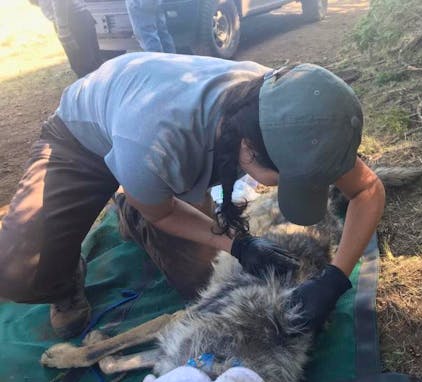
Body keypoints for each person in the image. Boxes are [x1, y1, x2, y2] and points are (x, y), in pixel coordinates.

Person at [0, 52, 385, 339]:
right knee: (19, 273)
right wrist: (240, 245)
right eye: (285, 179)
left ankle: (136, 200)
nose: (288, 187)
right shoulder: (156, 145)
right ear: (248, 148)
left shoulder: (298, 116)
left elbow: (367, 190)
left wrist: (336, 278)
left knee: (203, 280)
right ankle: (107, 230)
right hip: (82, 137)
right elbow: (165, 214)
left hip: (148, 150)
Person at [30, 0, 103, 77]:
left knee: (85, 67)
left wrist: (63, 29)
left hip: (72, 20)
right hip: (76, 18)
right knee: (92, 65)